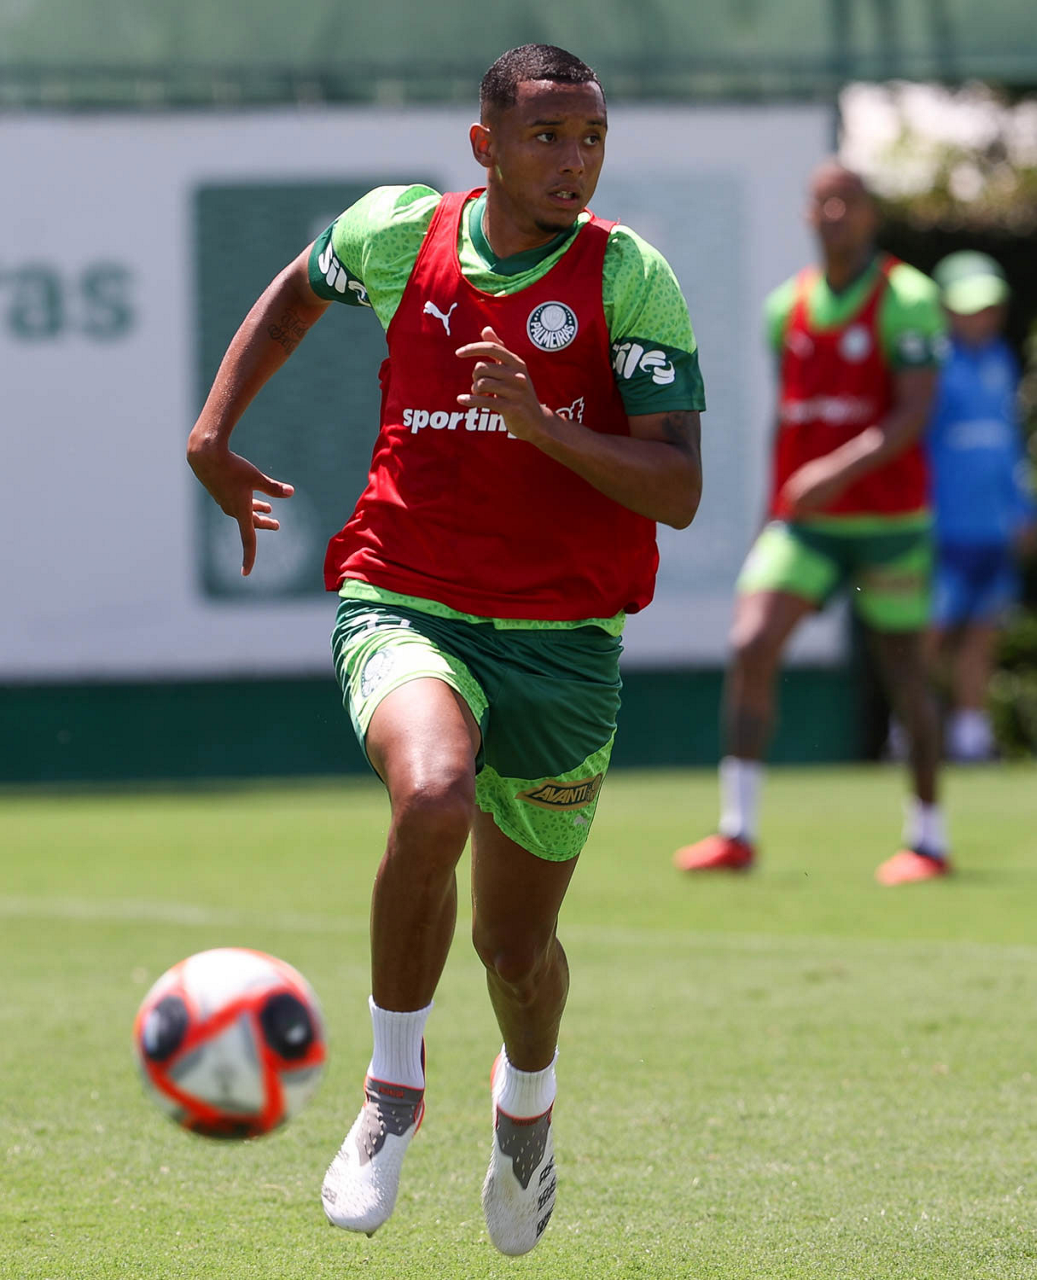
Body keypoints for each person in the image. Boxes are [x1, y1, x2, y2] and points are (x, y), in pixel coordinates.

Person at [187, 44, 705, 1255]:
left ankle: (525, 1104)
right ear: (485, 145)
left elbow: (677, 488)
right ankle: (389, 1089)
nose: (572, 161)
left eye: (590, 138)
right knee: (429, 797)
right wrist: (212, 432)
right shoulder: (395, 233)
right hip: (404, 597)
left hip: (565, 645)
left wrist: (540, 422)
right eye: (545, 136)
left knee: (515, 952)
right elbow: (292, 296)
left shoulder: (627, 276)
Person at [673, 160, 948, 887]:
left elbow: (914, 412)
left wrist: (835, 471)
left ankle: (928, 837)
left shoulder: (908, 298)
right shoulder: (786, 307)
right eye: (822, 202)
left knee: (904, 672)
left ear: (870, 214)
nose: (834, 214)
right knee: (751, 642)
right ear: (807, 214)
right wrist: (776, 509)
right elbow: (791, 420)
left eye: (847, 201)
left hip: (889, 520)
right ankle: (737, 830)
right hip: (805, 523)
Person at [924, 251, 1036, 762]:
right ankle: (911, 730)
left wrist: (1023, 512)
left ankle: (970, 735)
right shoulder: (930, 365)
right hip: (942, 529)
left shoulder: (1001, 360)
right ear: (944, 308)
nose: (981, 318)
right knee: (931, 633)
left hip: (995, 529)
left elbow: (1009, 447)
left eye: (989, 307)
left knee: (983, 634)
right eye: (969, 307)